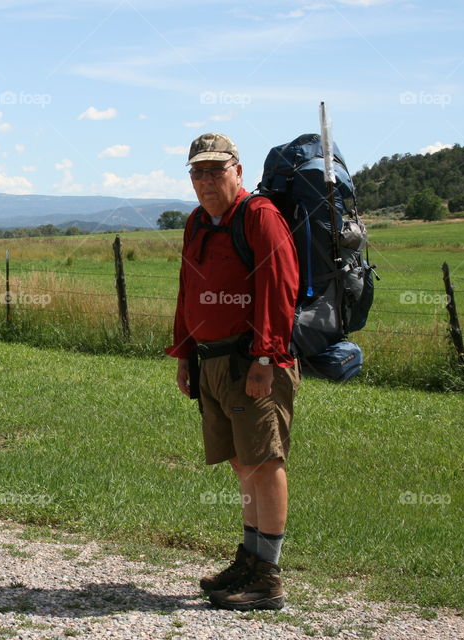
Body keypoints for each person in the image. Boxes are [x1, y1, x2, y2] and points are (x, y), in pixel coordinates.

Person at [165, 133, 300, 611]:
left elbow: (279, 287)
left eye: (214, 170)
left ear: (237, 171)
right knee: (243, 464)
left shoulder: (259, 216)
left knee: (265, 462)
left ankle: (268, 578)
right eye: (197, 172)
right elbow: (188, 287)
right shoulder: (198, 223)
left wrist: (266, 358)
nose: (204, 181)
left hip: (253, 362)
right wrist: (184, 353)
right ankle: (249, 558)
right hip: (213, 361)